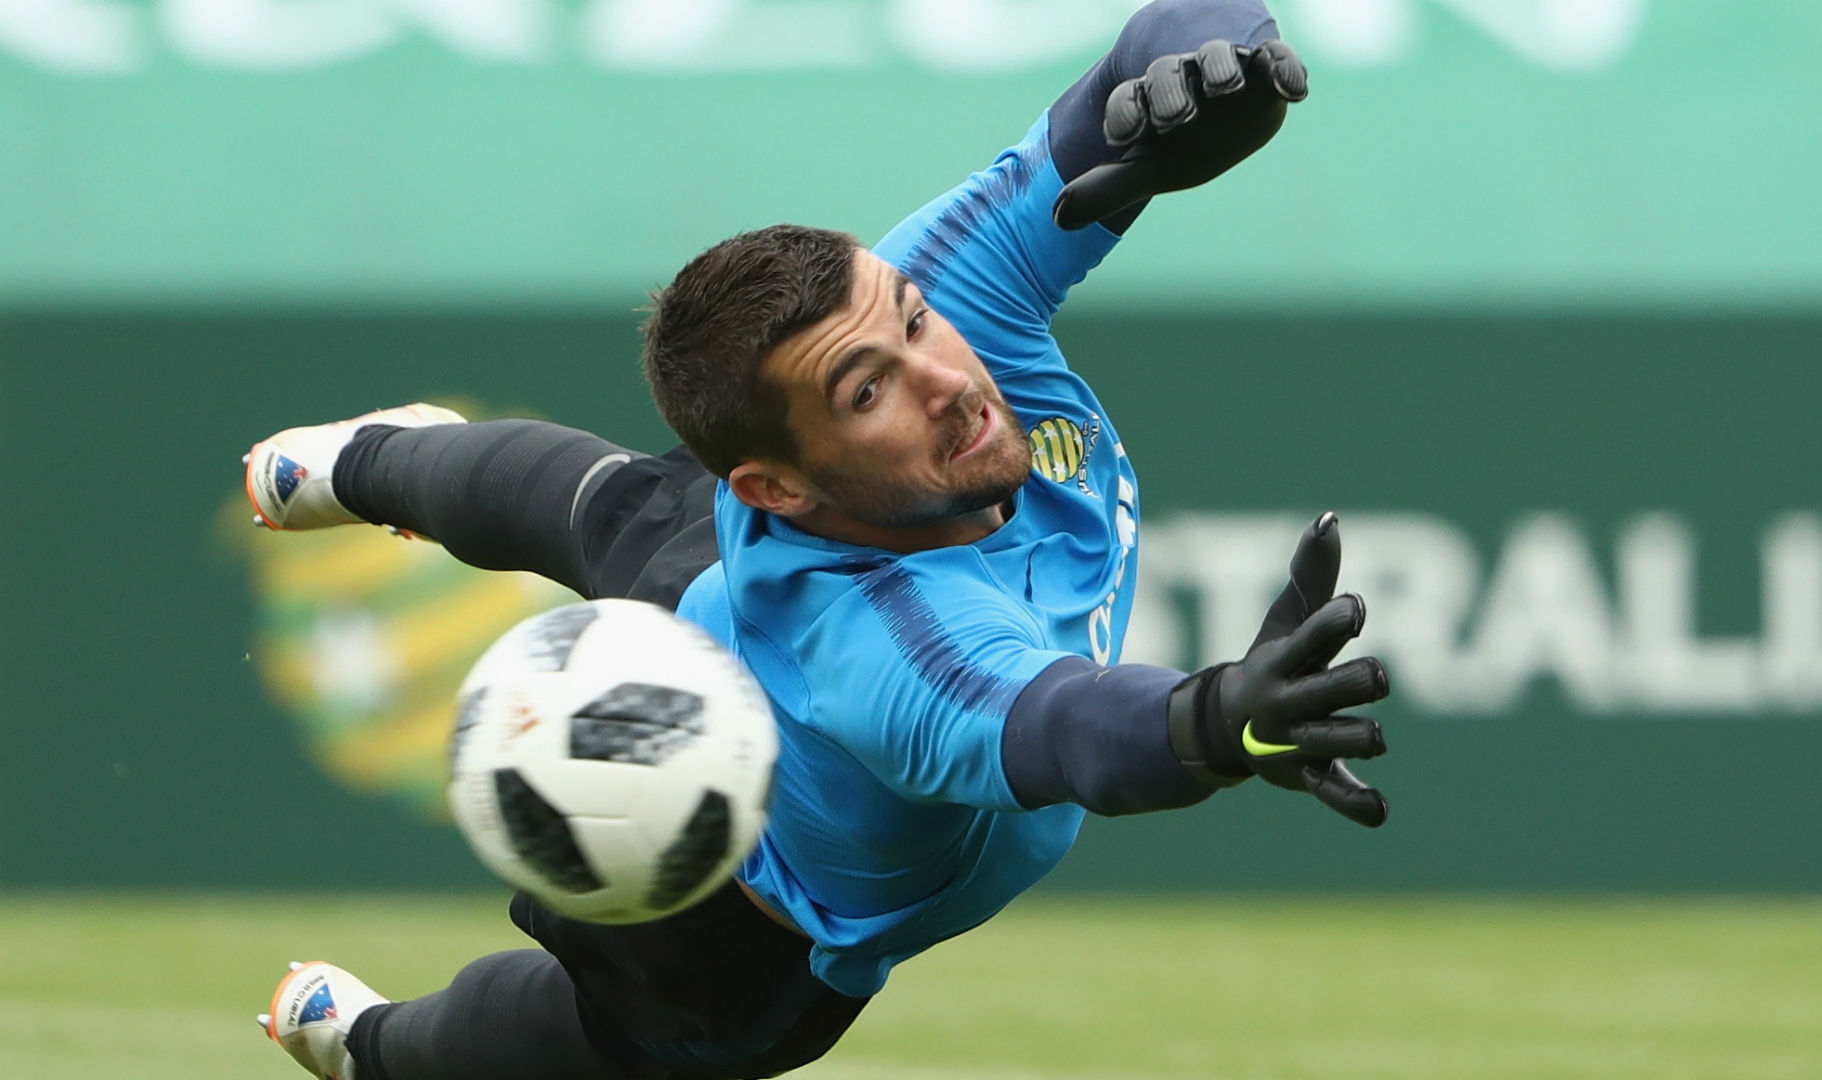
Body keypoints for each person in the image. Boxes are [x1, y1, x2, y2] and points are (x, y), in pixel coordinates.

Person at [243, 3, 1392, 1078]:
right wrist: (1214, 719)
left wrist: (1223, 63)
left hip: (726, 575)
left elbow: (1150, 48)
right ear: (775, 486)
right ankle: (375, 1049)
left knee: (597, 502)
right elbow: (1068, 733)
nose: (944, 379)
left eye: (910, 321)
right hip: (740, 914)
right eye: (865, 392)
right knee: (602, 1038)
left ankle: (363, 461)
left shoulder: (932, 296)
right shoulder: (890, 646)